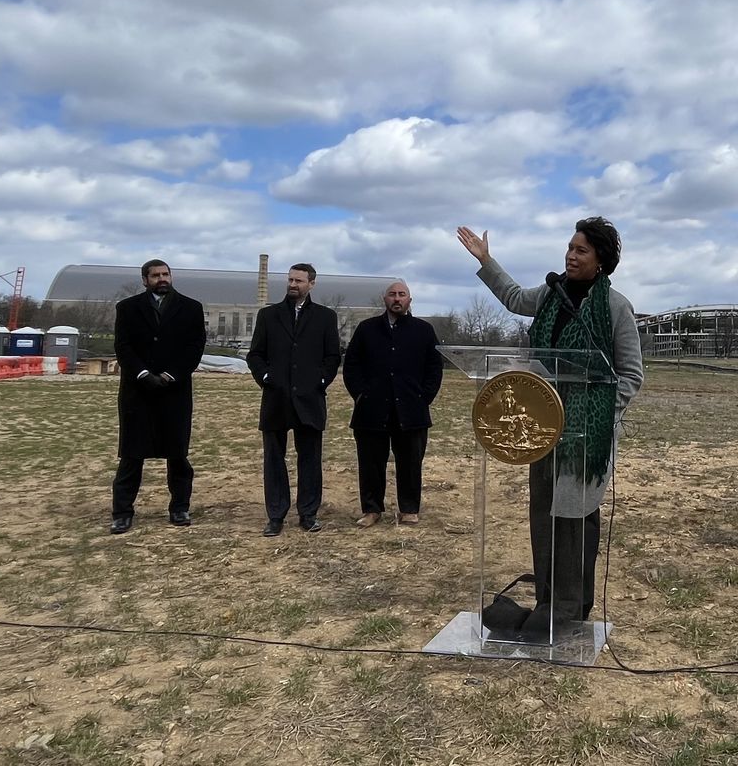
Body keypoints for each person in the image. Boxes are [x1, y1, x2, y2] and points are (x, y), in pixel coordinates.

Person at [456, 218, 645, 633]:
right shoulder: (550, 294)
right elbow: (513, 298)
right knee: (543, 514)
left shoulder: (616, 308)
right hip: (542, 428)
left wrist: (598, 414)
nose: (570, 256)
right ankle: (547, 600)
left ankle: (571, 607)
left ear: (601, 261)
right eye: (570, 247)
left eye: (581, 250)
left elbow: (631, 375)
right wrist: (486, 260)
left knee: (574, 518)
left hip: (585, 436)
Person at [110, 259, 206, 534]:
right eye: (155, 275)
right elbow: (123, 346)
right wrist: (142, 374)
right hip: (137, 392)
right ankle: (122, 513)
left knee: (177, 455)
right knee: (131, 455)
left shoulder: (191, 308)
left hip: (174, 392)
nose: (162, 279)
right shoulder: (127, 308)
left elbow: (194, 347)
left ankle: (179, 508)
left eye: (165, 274)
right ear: (145, 280)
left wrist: (170, 375)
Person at [247, 263, 343, 536]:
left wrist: (321, 380)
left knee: (310, 458)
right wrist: (266, 377)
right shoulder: (269, 315)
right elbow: (255, 354)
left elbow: (332, 356)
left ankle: (308, 513)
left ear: (311, 284)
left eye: (299, 281)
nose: (293, 285)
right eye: (290, 279)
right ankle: (276, 515)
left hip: (309, 399)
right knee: (274, 459)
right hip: (276, 398)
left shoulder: (325, 317)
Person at [343, 280, 444, 527]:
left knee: (410, 462)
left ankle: (409, 509)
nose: (397, 299)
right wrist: (360, 395)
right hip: (371, 409)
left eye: (402, 294)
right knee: (370, 462)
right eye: (392, 294)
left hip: (411, 409)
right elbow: (352, 365)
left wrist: (424, 398)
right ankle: (372, 509)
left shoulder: (424, 330)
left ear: (409, 300)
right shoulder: (367, 329)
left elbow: (434, 367)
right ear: (384, 299)